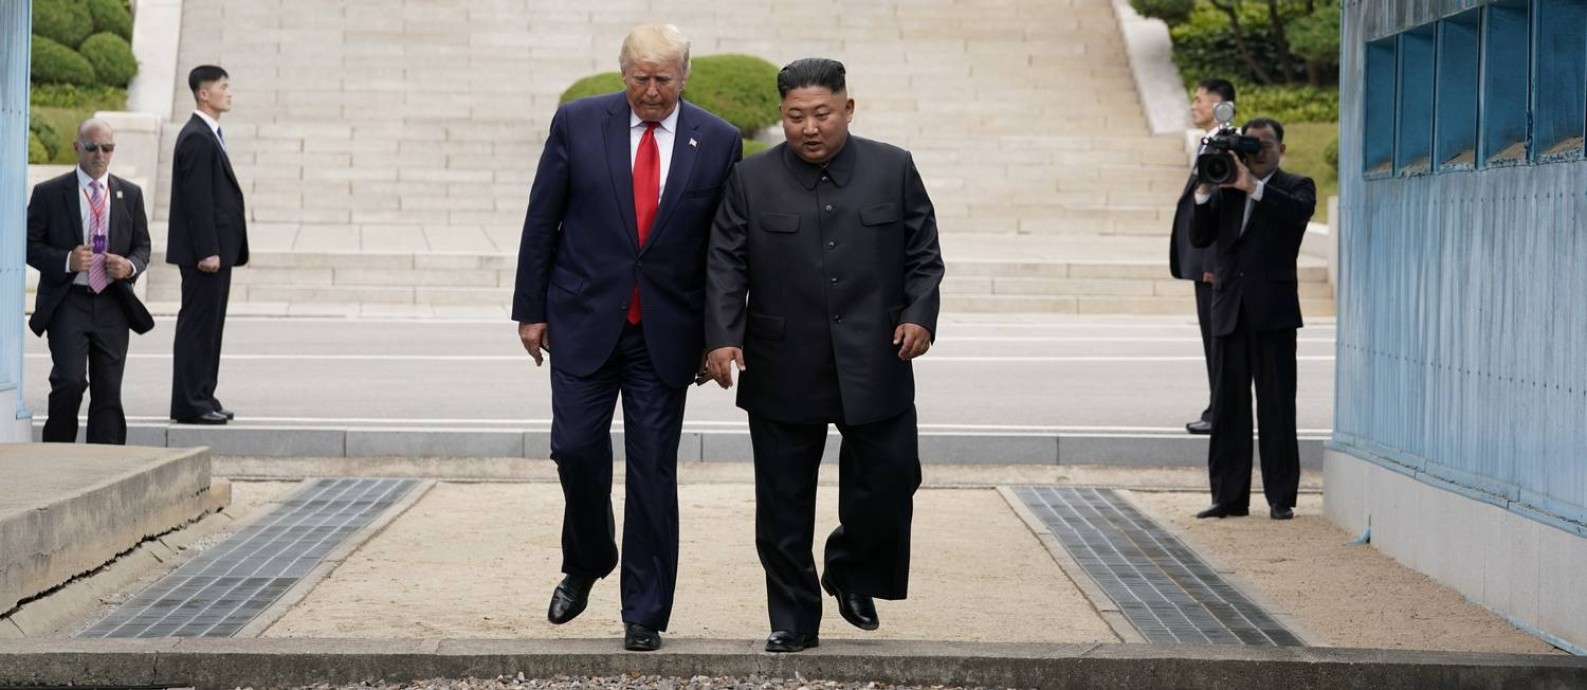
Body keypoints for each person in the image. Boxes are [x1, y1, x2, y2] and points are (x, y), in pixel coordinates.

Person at [513, 24, 742, 652]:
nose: (651, 89)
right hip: (583, 320)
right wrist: (529, 311)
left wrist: (720, 334)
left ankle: (645, 612)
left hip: (667, 334)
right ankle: (588, 557)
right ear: (622, 74)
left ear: (683, 76)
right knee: (575, 450)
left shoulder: (718, 140)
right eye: (640, 76)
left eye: (663, 78)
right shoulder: (578, 123)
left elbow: (725, 249)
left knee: (652, 475)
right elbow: (542, 220)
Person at [704, 57, 945, 654]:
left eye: (822, 114)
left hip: (878, 355)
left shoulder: (894, 168)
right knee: (783, 501)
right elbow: (725, 264)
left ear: (848, 108)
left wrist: (918, 315)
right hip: (783, 361)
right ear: (781, 115)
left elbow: (924, 255)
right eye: (795, 117)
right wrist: (721, 335)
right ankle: (793, 617)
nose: (810, 128)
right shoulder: (750, 179)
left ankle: (850, 569)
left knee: (892, 482)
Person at [1189, 117, 1316, 521]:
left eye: (1265, 145)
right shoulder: (1226, 187)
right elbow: (1199, 236)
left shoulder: (1295, 186)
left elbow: (1295, 216)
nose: (1258, 151)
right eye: (1251, 144)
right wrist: (1206, 187)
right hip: (1229, 311)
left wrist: (1254, 187)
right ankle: (1228, 497)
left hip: (1273, 313)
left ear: (1282, 148)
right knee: (1228, 407)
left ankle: (1281, 497)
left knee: (1277, 406)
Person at [25, 119, 155, 444]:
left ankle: (105, 467)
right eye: (91, 147)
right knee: (69, 381)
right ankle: (57, 454)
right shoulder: (50, 193)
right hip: (69, 300)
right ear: (76, 148)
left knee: (109, 393)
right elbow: (29, 245)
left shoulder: (130, 194)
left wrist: (129, 266)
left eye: (107, 148)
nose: (99, 154)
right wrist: (67, 260)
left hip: (113, 302)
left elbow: (143, 247)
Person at [168, 64, 248, 425]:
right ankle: (190, 403)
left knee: (211, 327)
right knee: (198, 326)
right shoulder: (198, 137)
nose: (229, 92)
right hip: (206, 255)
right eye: (223, 86)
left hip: (218, 251)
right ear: (204, 93)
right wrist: (207, 250)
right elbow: (197, 201)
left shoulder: (208, 133)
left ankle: (203, 395)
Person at [1173, 78, 1236, 436]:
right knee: (1212, 339)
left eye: (1199, 100)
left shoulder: (1225, 145)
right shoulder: (1209, 142)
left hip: (1214, 266)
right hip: (1204, 264)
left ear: (1218, 104)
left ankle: (1221, 411)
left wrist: (1212, 263)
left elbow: (1222, 210)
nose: (1193, 105)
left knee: (1218, 340)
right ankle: (1218, 407)